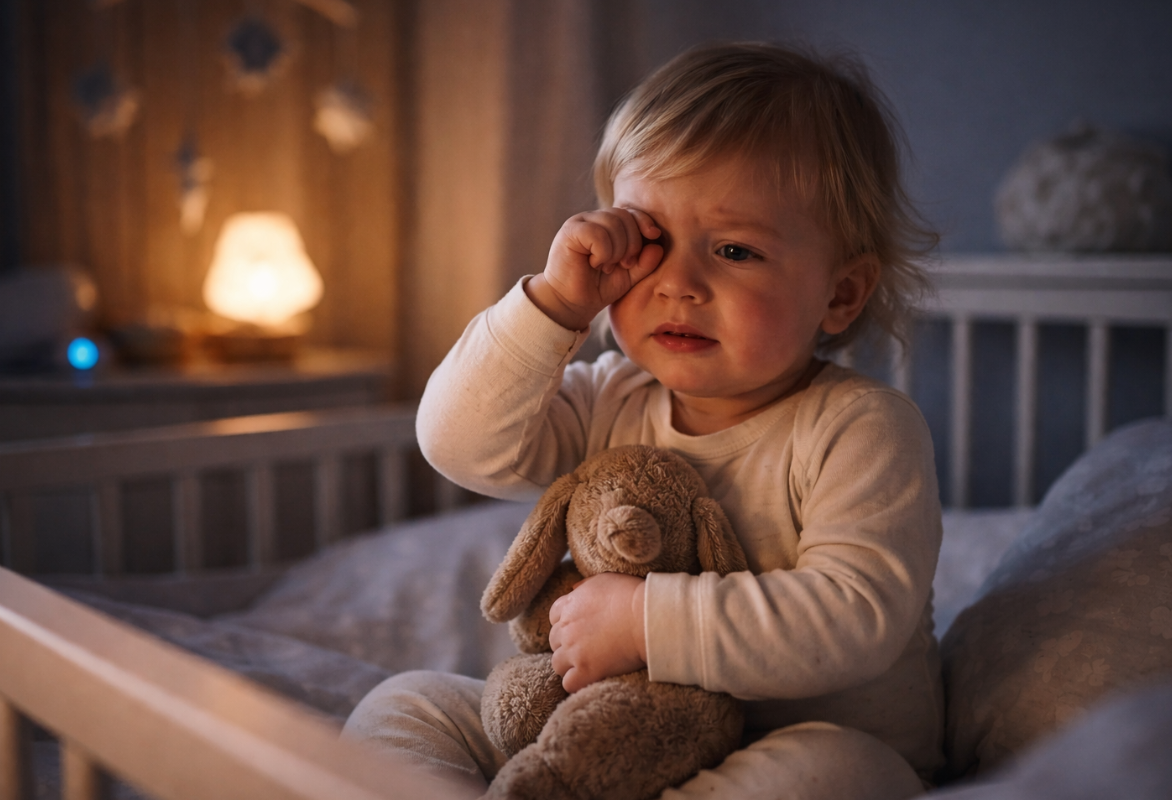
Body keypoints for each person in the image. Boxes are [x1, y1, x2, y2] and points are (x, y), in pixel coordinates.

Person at [344, 41, 944, 800]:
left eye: (734, 249)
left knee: (844, 773)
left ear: (841, 293)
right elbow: (460, 446)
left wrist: (646, 623)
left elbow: (855, 617)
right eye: (651, 243)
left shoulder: (861, 428)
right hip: (597, 731)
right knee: (405, 705)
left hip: (788, 743)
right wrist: (553, 305)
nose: (680, 286)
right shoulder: (609, 397)